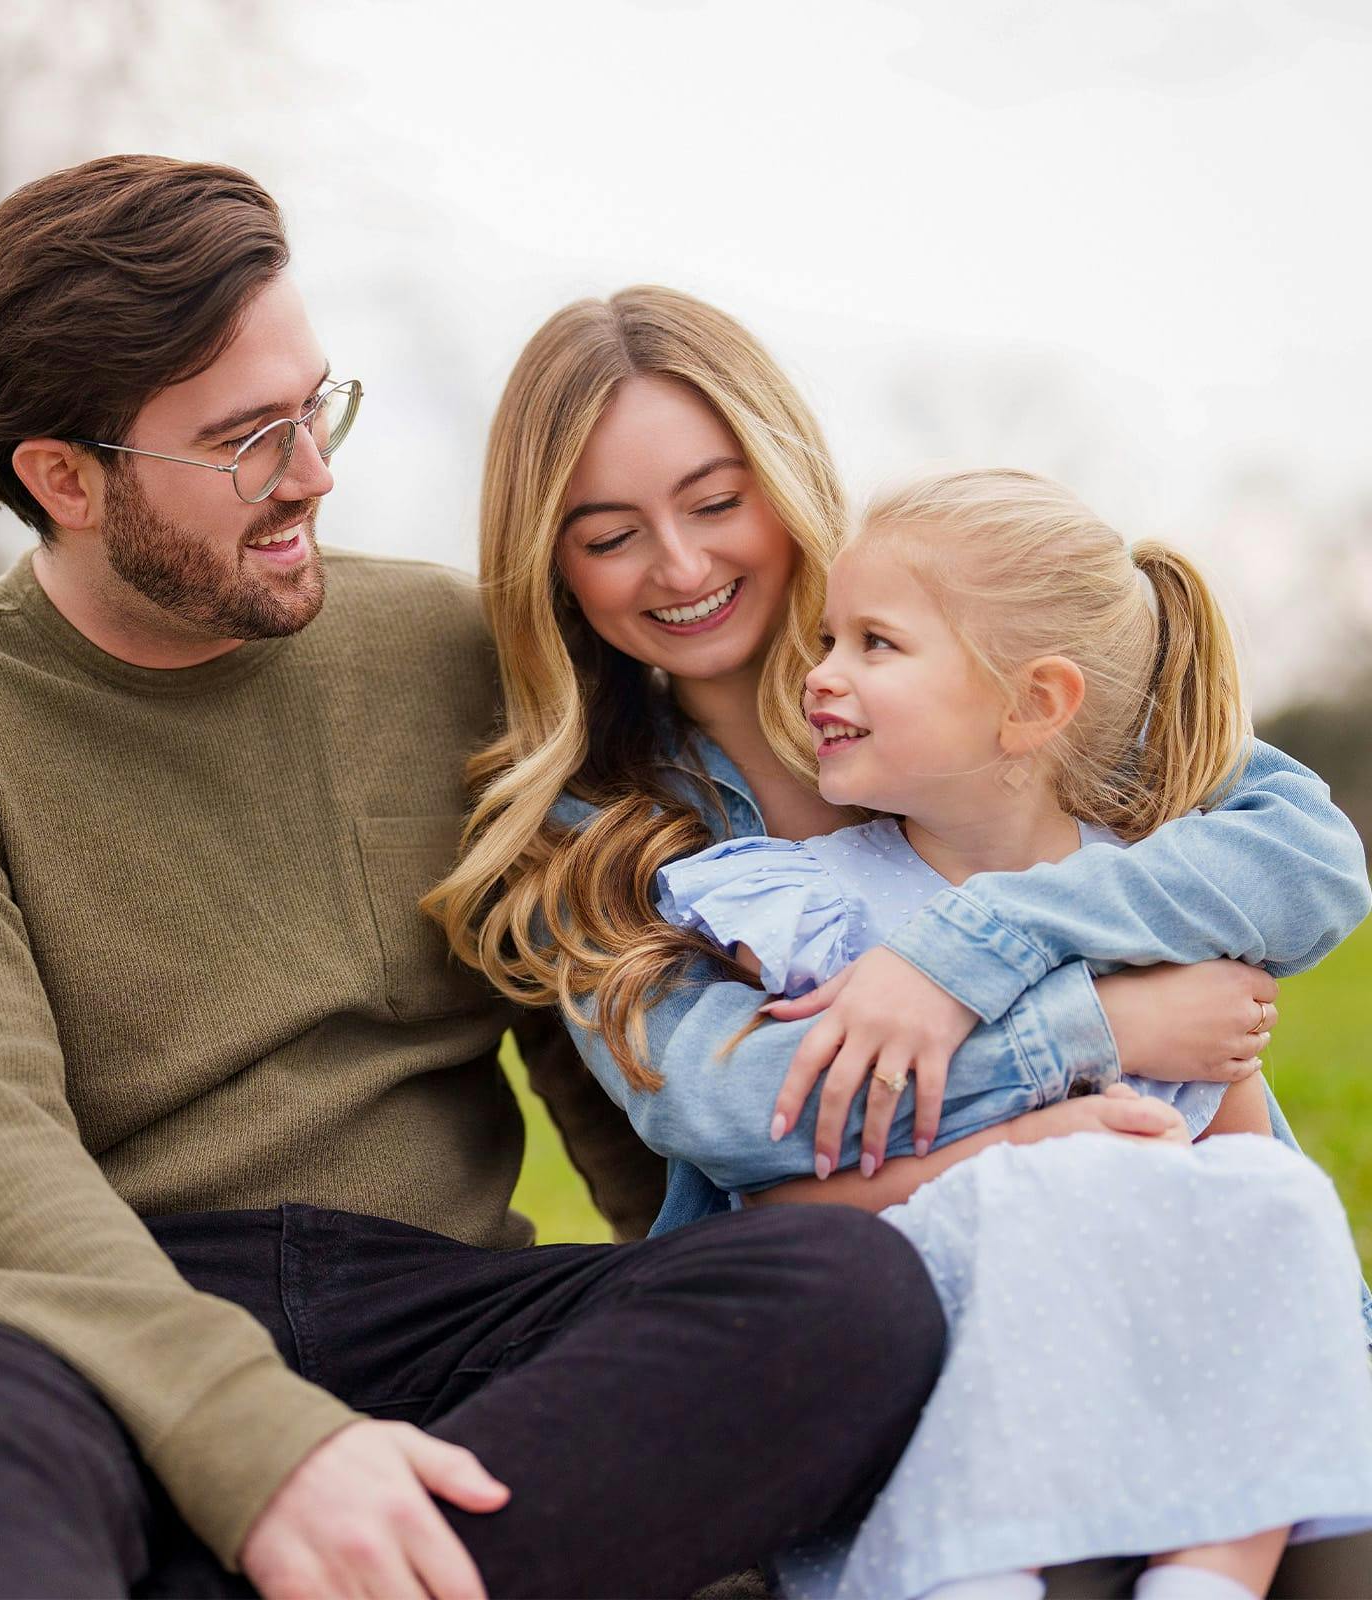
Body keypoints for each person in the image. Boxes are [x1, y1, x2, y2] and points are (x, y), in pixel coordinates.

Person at [0, 157, 953, 1598]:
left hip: (439, 1318)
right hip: (91, 1323)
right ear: (62, 477)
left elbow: (588, 1023)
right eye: (245, 442)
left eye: (314, 407)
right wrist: (265, 1448)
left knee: (841, 1299)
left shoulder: (451, 651)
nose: (314, 473)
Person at [424, 286, 1372, 1596]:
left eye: (714, 502)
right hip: (888, 1343)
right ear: (556, 568)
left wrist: (966, 952)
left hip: (1182, 1305)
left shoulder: (991, 666)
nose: (684, 566)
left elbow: (1304, 861)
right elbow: (738, 1106)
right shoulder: (602, 830)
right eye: (610, 534)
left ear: (783, 473)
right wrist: (1085, 1034)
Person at [648, 467, 1372, 1600]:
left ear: (1034, 703)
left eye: (875, 644)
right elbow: (779, 1208)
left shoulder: (1144, 905)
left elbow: (1242, 1176)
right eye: (828, 637)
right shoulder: (811, 914)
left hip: (1150, 1385)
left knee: (1281, 1210)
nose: (821, 674)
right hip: (931, 1393)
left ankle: (1216, 1566)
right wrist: (1027, 1151)